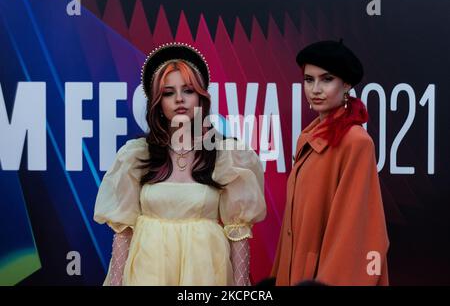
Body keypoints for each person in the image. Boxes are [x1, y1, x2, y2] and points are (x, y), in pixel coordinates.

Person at [94, 42, 266, 286]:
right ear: (158, 103)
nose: (179, 100)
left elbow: (237, 233)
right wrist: (115, 283)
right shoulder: (137, 156)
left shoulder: (225, 154)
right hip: (147, 273)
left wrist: (240, 289)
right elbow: (124, 231)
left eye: (188, 90)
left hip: (205, 274)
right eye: (168, 93)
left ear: (201, 96)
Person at [271, 40, 389, 285]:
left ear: (346, 84)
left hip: (325, 277)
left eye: (327, 79)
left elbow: (354, 230)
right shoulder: (308, 137)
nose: (315, 89)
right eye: (308, 79)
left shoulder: (356, 142)